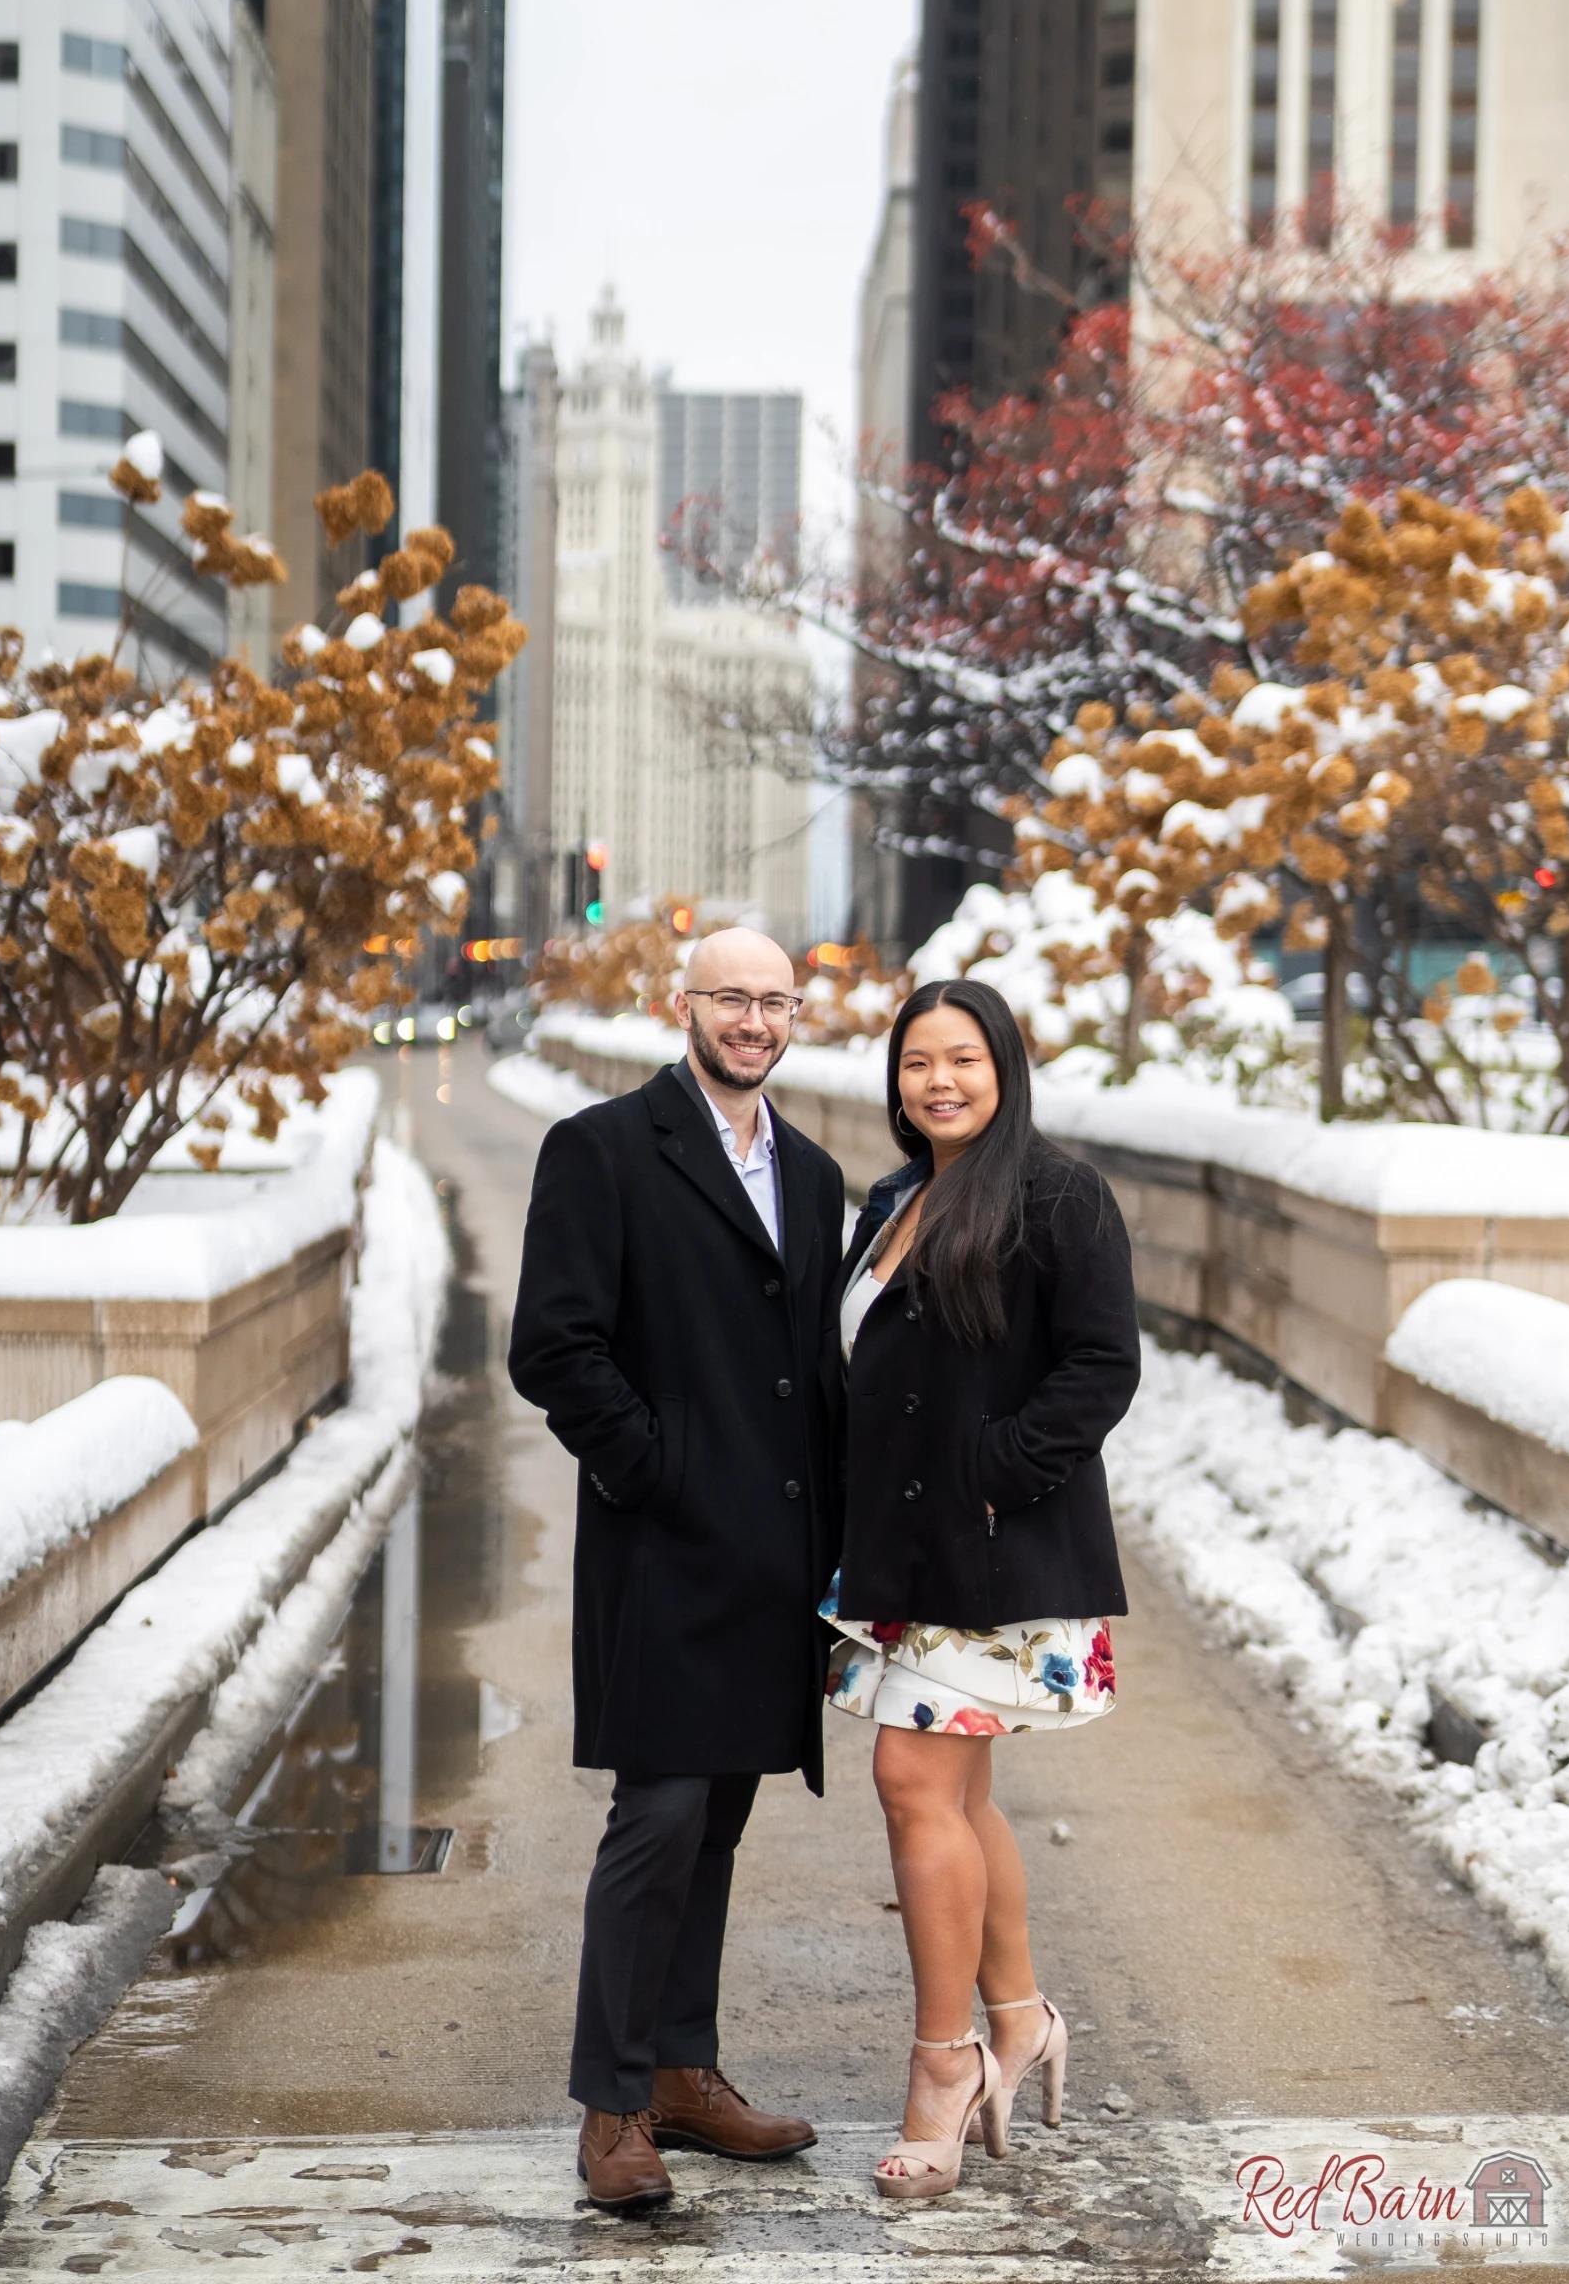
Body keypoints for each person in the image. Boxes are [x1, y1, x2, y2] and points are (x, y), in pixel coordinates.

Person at [508, 927, 846, 2213]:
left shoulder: (809, 1175)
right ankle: (612, 2108)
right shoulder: (601, 1149)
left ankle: (685, 2070)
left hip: (775, 1558)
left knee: (720, 1818)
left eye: (775, 1001)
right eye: (731, 998)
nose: (753, 1020)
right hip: (663, 1548)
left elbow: (813, 1365)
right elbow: (553, 1347)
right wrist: (655, 1468)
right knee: (655, 1819)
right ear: (681, 1005)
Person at [821, 976, 1140, 2201]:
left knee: (913, 1782)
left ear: (1004, 1068)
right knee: (957, 1794)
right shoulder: (898, 1196)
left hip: (992, 1550)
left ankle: (941, 2067)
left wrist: (993, 1475)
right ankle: (1021, 2020)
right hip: (900, 1555)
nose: (937, 1081)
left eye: (961, 1059)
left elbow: (1101, 1365)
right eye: (916, 1063)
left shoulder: (1060, 1196)